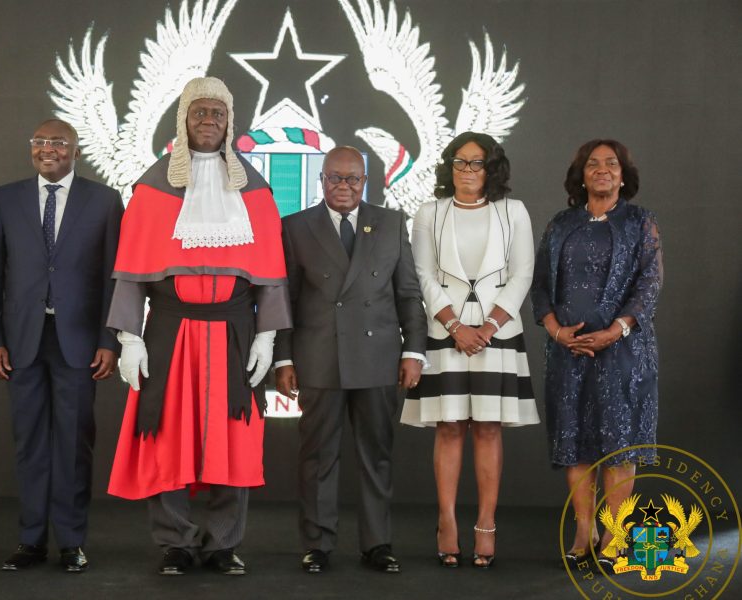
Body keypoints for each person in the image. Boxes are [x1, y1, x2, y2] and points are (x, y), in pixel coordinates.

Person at [106, 76, 291, 576]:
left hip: (234, 334)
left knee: (236, 438)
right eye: (199, 112)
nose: (208, 121)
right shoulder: (152, 185)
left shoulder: (253, 188)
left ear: (230, 122)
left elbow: (271, 273)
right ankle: (176, 543)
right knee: (166, 435)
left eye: (218, 113)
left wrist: (269, 335)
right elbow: (130, 270)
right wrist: (129, 338)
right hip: (170, 332)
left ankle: (223, 543)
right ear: (183, 119)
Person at [0, 118, 123, 573]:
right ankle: (31, 540)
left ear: (75, 150)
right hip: (21, 343)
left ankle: (72, 542)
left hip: (79, 343)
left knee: (75, 445)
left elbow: (115, 278)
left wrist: (108, 340)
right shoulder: (6, 198)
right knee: (30, 444)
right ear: (31, 149)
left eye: (58, 142)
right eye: (39, 141)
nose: (48, 149)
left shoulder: (104, 200)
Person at [274, 146, 428, 574]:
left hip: (378, 357)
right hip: (318, 357)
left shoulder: (392, 223)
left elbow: (408, 293)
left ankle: (377, 543)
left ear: (366, 182)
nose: (343, 186)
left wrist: (414, 349)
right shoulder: (296, 227)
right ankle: (317, 544)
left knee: (376, 454)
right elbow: (284, 301)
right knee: (317, 456)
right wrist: (282, 359)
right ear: (320, 181)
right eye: (335, 178)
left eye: (352, 179)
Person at [400, 131, 539, 569]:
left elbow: (522, 273)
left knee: (488, 428)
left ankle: (485, 524)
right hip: (447, 333)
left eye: (476, 163)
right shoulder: (429, 212)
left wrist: (490, 326)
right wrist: (456, 325)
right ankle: (446, 522)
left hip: (498, 333)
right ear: (449, 167)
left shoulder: (512, 211)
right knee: (449, 427)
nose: (467, 171)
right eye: (460, 163)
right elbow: (422, 275)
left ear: (491, 168)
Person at [531, 139, 662, 572]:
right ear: (581, 175)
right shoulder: (560, 224)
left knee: (619, 446)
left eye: (611, 164)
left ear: (623, 175)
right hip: (568, 354)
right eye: (593, 164)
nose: (602, 170)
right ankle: (584, 532)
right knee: (577, 445)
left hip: (623, 353)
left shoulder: (641, 223)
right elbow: (541, 287)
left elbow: (649, 285)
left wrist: (615, 331)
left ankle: (615, 534)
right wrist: (555, 331)